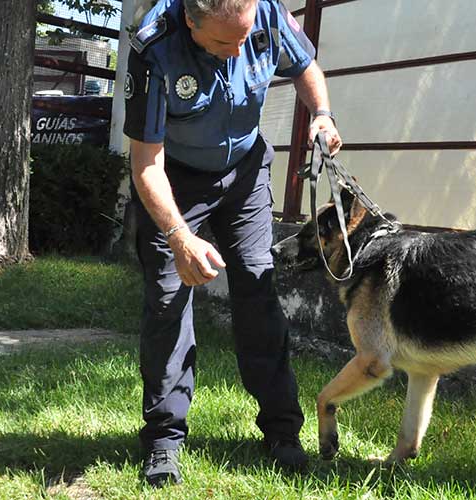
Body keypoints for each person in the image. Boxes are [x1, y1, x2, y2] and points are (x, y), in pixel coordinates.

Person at [123, 0, 342, 488]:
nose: (239, 50)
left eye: (245, 39)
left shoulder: (262, 11)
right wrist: (179, 236)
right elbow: (145, 165)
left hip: (245, 173)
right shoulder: (154, 46)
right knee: (167, 301)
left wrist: (322, 116)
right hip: (173, 179)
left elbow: (306, 66)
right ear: (189, 22)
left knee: (258, 293)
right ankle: (163, 440)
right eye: (225, 42)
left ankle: (282, 431)